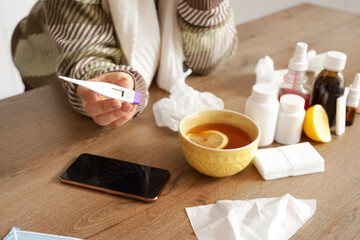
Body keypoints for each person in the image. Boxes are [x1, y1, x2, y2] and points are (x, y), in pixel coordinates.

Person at [11, 0, 238, 128]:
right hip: (48, 77)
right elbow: (85, 58)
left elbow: (207, 62)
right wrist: (121, 85)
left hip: (149, 83)